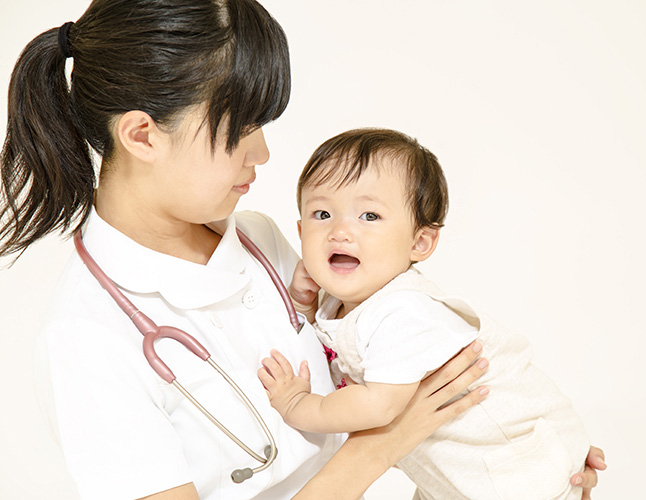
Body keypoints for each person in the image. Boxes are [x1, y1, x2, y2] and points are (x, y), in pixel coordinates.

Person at [0, 1, 604, 499]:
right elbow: (394, 414)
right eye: (240, 128)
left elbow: (391, 359)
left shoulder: (260, 238)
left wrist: (523, 451)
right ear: (142, 134)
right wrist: (393, 433)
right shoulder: (84, 342)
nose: (261, 153)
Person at [260, 128, 595, 499]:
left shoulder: (405, 311)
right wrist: (305, 305)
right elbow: (329, 350)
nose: (340, 231)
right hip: (457, 472)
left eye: (369, 215)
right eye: (322, 213)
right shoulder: (342, 301)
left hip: (512, 465)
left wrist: (298, 405)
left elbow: (378, 406)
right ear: (301, 230)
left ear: (419, 242)